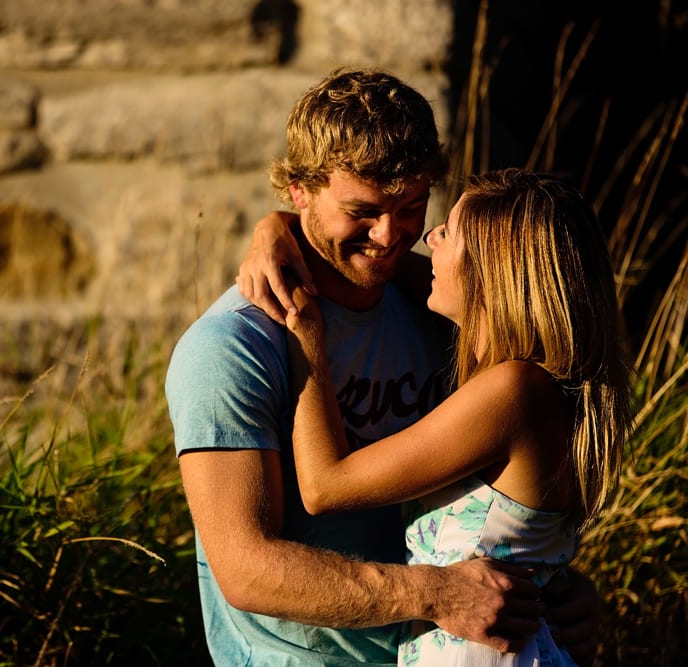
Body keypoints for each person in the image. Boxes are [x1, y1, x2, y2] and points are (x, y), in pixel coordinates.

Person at [166, 68, 600, 666]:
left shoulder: (437, 309)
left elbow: (511, 487)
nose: (390, 236)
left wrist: (554, 585)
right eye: (362, 210)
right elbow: (245, 569)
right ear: (299, 190)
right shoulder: (230, 348)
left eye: (412, 206)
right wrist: (438, 594)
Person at [263, 168, 630, 665]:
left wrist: (307, 337)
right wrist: (279, 226)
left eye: (448, 231)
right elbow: (375, 267)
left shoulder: (513, 389)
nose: (429, 238)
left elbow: (326, 486)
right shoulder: (532, 383)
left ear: (490, 270)